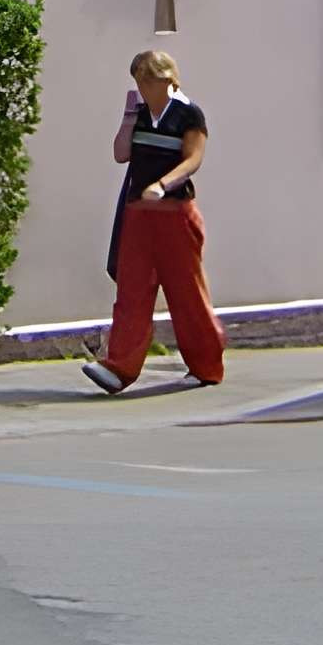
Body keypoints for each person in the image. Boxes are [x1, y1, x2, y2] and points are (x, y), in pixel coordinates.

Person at [82, 47, 224, 394]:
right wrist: (129, 118)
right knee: (131, 290)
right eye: (138, 82)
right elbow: (121, 154)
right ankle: (119, 368)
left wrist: (163, 185)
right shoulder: (140, 114)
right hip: (138, 216)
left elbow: (193, 159)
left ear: (166, 80)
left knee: (186, 293)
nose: (142, 88)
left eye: (147, 81)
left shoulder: (189, 115)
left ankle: (206, 365)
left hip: (175, 213)